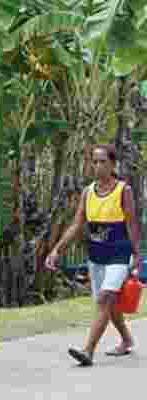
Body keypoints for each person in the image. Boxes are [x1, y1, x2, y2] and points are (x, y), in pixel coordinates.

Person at [46, 144, 140, 365]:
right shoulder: (88, 192)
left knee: (105, 297)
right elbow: (77, 225)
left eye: (102, 162)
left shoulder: (123, 190)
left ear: (112, 164)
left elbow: (132, 224)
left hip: (119, 253)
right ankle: (126, 340)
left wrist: (135, 254)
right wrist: (57, 250)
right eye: (94, 162)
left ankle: (87, 351)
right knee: (108, 302)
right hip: (96, 255)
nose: (97, 166)